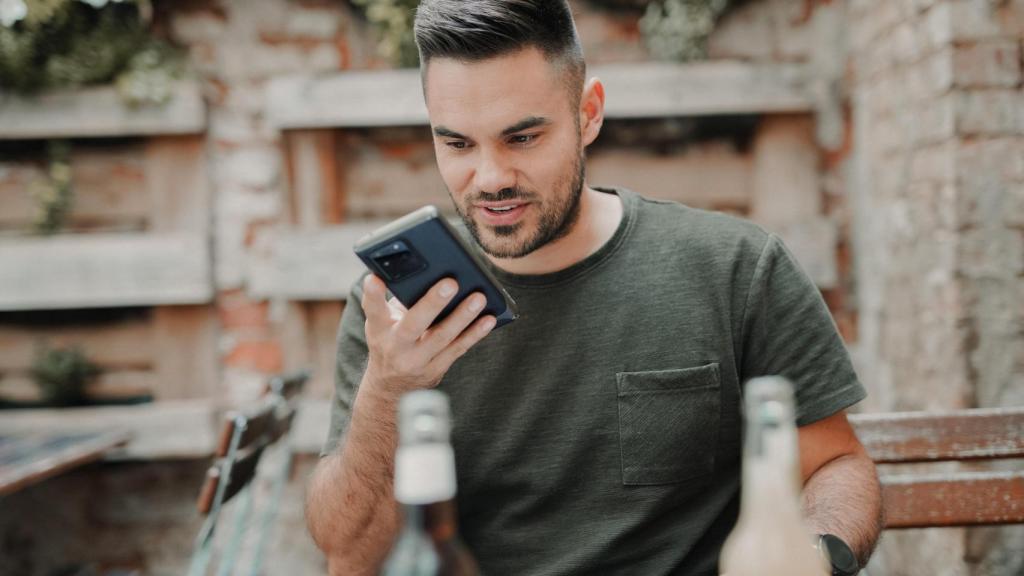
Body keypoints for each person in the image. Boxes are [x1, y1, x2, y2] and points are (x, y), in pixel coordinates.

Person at [305, 1, 883, 574]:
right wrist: (387, 391)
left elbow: (835, 464)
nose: (490, 178)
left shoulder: (735, 268)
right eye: (457, 144)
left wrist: (816, 556)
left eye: (522, 138)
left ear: (589, 114)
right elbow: (350, 556)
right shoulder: (391, 312)